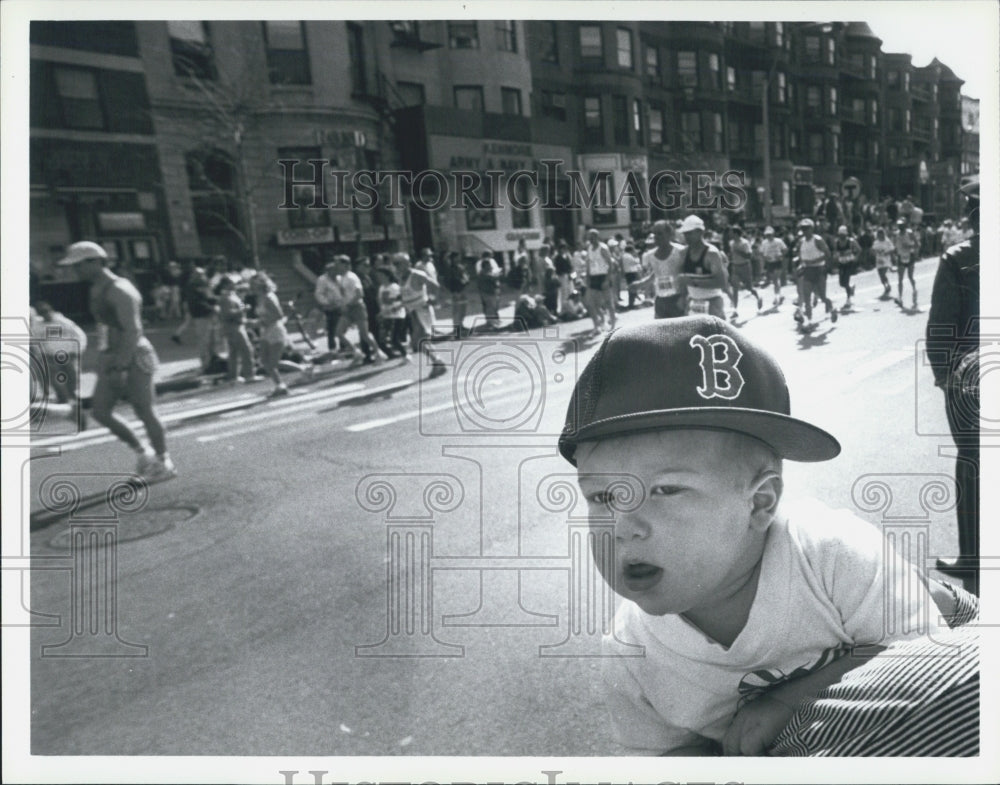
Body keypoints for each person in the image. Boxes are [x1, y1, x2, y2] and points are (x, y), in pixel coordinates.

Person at [557, 316, 948, 756]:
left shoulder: (829, 555)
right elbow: (658, 759)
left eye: (665, 490)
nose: (625, 524)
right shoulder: (632, 652)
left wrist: (790, 700)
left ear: (760, 504)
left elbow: (933, 660)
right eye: (603, 495)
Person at [55, 241, 175, 480]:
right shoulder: (96, 288)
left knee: (144, 410)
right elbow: (106, 328)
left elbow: (133, 330)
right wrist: (106, 358)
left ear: (96, 262)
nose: (75, 271)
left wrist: (120, 364)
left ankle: (163, 462)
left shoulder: (120, 289)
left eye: (79, 265)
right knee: (100, 411)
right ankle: (143, 453)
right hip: (111, 355)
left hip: (133, 355)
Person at [926, 177, 980, 595]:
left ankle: (973, 557)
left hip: (973, 375)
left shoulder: (958, 258)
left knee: (972, 459)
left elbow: (941, 326)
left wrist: (944, 377)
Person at [30, 300, 88, 421]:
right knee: (57, 383)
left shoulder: (64, 322)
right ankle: (65, 405)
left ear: (51, 310)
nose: (44, 314)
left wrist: (77, 352)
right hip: (51, 358)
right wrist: (42, 355)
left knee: (72, 382)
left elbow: (80, 336)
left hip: (68, 356)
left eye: (46, 311)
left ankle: (75, 407)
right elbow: (36, 343)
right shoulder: (38, 327)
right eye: (41, 312)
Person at [396, 252, 447, 378]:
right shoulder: (401, 277)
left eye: (399, 263)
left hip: (421, 310)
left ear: (408, 263)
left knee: (420, 339)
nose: (396, 266)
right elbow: (406, 294)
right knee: (418, 341)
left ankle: (438, 363)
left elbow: (435, 286)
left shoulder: (417, 275)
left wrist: (432, 300)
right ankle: (438, 362)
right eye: (395, 264)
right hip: (411, 311)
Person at [631, 219, 686, 318]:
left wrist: (683, 297)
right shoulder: (651, 255)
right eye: (655, 234)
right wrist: (640, 284)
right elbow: (656, 275)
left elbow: (686, 275)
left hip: (677, 299)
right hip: (660, 300)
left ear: (669, 234)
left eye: (660, 234)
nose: (656, 237)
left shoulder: (680, 251)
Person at [335, 255, 385, 365]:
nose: (336, 266)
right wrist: (343, 304)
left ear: (345, 265)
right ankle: (356, 352)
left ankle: (378, 353)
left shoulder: (351, 277)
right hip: (348, 308)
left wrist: (348, 304)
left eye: (338, 264)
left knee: (365, 334)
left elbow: (359, 294)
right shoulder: (341, 278)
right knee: (339, 332)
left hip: (357, 307)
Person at [250, 272, 293, 398]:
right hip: (265, 330)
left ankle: (281, 385)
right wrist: (257, 322)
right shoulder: (260, 297)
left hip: (274, 330)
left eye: (253, 284)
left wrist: (261, 322)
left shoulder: (269, 297)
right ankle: (281, 384)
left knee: (272, 363)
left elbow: (278, 315)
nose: (251, 287)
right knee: (264, 361)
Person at [676, 215, 727, 319]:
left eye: (689, 233)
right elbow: (682, 280)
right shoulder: (683, 253)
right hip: (693, 302)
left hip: (712, 301)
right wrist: (682, 296)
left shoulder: (711, 253)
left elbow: (721, 282)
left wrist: (693, 282)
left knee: (714, 335)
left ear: (700, 232)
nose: (686, 237)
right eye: (685, 234)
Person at [792, 218, 837, 329]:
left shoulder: (817, 240)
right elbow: (801, 256)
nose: (805, 231)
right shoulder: (801, 241)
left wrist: (814, 261)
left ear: (812, 229)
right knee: (807, 297)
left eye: (807, 228)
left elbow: (827, 254)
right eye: (803, 228)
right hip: (807, 270)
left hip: (818, 269)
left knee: (822, 296)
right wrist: (801, 265)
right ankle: (809, 320)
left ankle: (832, 308)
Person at [216, 276, 258, 384]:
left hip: (237, 325)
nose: (234, 285)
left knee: (234, 353)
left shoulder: (233, 295)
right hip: (233, 327)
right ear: (226, 285)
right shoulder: (225, 298)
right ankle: (249, 375)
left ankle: (234, 376)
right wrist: (242, 310)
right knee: (246, 350)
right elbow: (227, 314)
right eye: (232, 283)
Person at [583, 228, 617, 333]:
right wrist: (587, 278)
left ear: (597, 237)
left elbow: (610, 265)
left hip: (603, 276)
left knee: (608, 302)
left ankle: (613, 324)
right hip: (593, 277)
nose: (591, 239)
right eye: (589, 238)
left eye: (592, 237)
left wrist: (607, 280)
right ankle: (597, 325)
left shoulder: (603, 248)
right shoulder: (589, 248)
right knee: (591, 303)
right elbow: (588, 264)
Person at [726, 226, 763, 319]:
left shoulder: (745, 243)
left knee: (749, 288)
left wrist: (738, 251)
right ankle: (735, 310)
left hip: (745, 266)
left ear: (736, 233)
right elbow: (731, 254)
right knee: (735, 289)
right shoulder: (731, 243)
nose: (730, 234)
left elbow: (749, 256)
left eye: (731, 232)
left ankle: (758, 297)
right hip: (735, 266)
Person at [374, 266, 408, 360]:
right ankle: (390, 355)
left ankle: (406, 355)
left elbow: (402, 301)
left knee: (394, 339)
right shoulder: (381, 288)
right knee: (382, 339)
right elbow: (381, 302)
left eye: (381, 276)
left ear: (387, 276)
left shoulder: (394, 287)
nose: (379, 278)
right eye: (378, 276)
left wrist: (392, 309)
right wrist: (381, 313)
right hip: (386, 316)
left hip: (397, 316)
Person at [314, 259, 347, 355]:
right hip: (330, 307)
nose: (336, 272)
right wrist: (326, 303)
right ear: (328, 270)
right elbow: (319, 294)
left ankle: (343, 346)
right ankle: (332, 348)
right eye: (333, 270)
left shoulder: (340, 278)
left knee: (342, 326)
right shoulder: (322, 280)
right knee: (332, 328)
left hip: (340, 305)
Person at [441, 251, 470, 338]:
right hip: (456, 291)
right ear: (452, 259)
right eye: (456, 257)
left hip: (463, 290)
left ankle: (461, 325)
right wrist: (453, 291)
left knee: (463, 309)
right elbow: (448, 282)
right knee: (457, 311)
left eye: (459, 257)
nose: (458, 259)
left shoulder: (460, 267)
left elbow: (465, 276)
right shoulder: (449, 269)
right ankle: (456, 328)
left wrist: (466, 280)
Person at [832, 225, 861, 310]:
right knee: (841, 283)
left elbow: (859, 249)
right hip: (841, 263)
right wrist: (836, 258)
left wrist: (856, 257)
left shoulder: (851, 241)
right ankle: (850, 288)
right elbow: (835, 252)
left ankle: (848, 299)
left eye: (843, 234)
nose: (842, 236)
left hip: (849, 263)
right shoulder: (837, 242)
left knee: (846, 280)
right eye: (840, 234)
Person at [758, 226, 788, 307]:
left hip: (777, 262)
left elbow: (785, 249)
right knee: (774, 281)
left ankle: (777, 297)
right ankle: (779, 295)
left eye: (770, 234)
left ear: (773, 234)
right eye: (767, 235)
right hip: (769, 263)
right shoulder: (764, 243)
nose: (769, 236)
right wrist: (765, 257)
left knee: (776, 279)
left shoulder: (779, 241)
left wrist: (781, 255)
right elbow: (761, 252)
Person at [893, 220, 919, 309]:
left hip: (909, 256)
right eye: (899, 226)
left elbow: (917, 244)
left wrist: (909, 247)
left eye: (902, 225)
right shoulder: (896, 234)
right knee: (900, 278)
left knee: (910, 276)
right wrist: (895, 253)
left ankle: (915, 290)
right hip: (901, 256)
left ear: (905, 226)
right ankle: (900, 297)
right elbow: (894, 245)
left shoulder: (910, 233)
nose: (900, 227)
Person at [475, 252, 502, 330]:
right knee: (489, 308)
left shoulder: (487, 270)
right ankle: (490, 323)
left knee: (493, 307)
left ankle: (494, 322)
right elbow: (491, 278)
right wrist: (496, 275)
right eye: (489, 265)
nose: (490, 266)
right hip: (487, 292)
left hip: (492, 291)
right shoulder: (483, 273)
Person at [871, 227, 896, 298]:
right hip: (879, 260)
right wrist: (876, 252)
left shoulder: (887, 241)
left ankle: (887, 285)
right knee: (881, 275)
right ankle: (886, 286)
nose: (880, 236)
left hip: (886, 260)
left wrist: (887, 252)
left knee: (883, 273)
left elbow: (892, 249)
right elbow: (873, 250)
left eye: (881, 234)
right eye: (879, 234)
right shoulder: (876, 242)